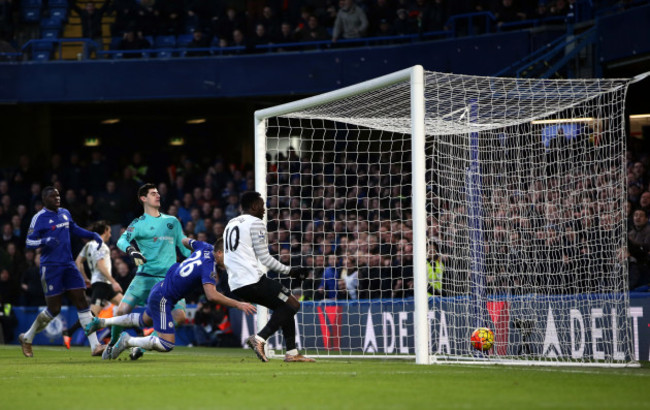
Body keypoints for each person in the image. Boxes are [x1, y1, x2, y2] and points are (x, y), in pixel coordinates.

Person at [84, 238, 255, 359]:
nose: (230, 259)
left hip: (161, 288)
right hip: (164, 298)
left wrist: (191, 257)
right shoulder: (209, 267)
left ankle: (103, 323)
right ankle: (127, 341)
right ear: (218, 253)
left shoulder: (204, 247)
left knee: (145, 321)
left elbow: (186, 241)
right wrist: (238, 304)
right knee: (167, 344)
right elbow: (211, 295)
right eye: (227, 255)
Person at [224, 191, 314, 362]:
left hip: (236, 283)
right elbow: (265, 258)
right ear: (254, 206)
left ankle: (292, 353)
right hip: (251, 280)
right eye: (262, 206)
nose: (264, 210)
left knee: (286, 304)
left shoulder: (231, 222)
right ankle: (260, 339)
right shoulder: (255, 222)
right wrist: (291, 271)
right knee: (293, 304)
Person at [107, 183, 191, 360]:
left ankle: (141, 345)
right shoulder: (138, 223)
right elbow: (122, 240)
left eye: (158, 193)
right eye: (153, 193)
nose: (158, 195)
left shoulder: (172, 222)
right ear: (143, 198)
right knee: (121, 311)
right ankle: (113, 343)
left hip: (169, 278)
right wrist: (132, 251)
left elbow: (183, 247)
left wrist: (198, 254)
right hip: (144, 277)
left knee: (180, 316)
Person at [18, 186, 105, 357]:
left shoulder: (65, 212)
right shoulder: (39, 218)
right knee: (54, 309)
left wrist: (92, 234)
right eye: (53, 196)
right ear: (44, 200)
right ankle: (28, 337)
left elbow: (74, 229)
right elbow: (29, 242)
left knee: (81, 301)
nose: (57, 198)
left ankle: (95, 346)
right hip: (51, 267)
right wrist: (45, 240)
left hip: (69, 265)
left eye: (58, 195)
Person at [63, 220, 123, 349]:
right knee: (91, 316)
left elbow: (78, 262)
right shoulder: (101, 245)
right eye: (110, 232)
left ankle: (140, 331)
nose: (111, 235)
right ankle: (69, 332)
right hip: (102, 284)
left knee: (124, 306)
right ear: (105, 231)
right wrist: (114, 281)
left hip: (101, 283)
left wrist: (85, 278)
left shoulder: (89, 245)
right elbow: (100, 265)